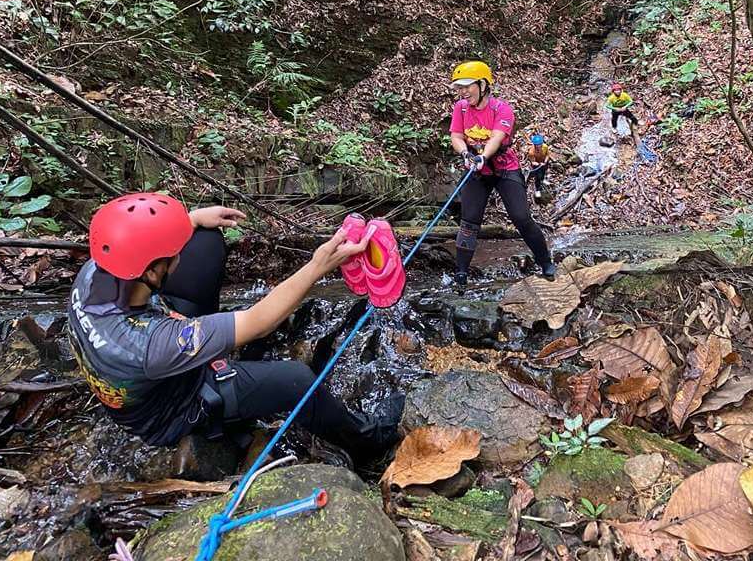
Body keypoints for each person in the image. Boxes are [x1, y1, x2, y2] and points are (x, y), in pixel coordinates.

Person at [68, 192, 403, 460]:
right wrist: (318, 266)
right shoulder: (153, 345)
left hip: (149, 359)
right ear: (152, 272)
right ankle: (368, 439)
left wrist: (192, 220)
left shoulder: (95, 273)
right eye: (171, 255)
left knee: (205, 242)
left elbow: (142, 249)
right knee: (297, 380)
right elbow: (258, 322)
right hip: (174, 408)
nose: (178, 256)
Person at [448, 62, 556, 288]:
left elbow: (497, 138)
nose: (463, 92)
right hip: (476, 169)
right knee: (469, 221)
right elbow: (456, 136)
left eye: (468, 86)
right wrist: (467, 154)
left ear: (483, 84)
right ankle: (461, 273)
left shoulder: (501, 109)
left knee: (521, 217)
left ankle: (545, 261)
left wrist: (482, 157)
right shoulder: (461, 108)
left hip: (504, 167)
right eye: (460, 87)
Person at [526, 133, 550, 204]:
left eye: (540, 144)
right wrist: (539, 164)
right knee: (538, 177)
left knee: (543, 172)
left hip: (544, 163)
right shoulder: (531, 152)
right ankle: (537, 189)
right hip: (537, 165)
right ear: (535, 145)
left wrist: (545, 161)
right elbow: (533, 162)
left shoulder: (545, 147)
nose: (539, 146)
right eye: (537, 145)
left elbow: (548, 155)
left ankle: (543, 179)